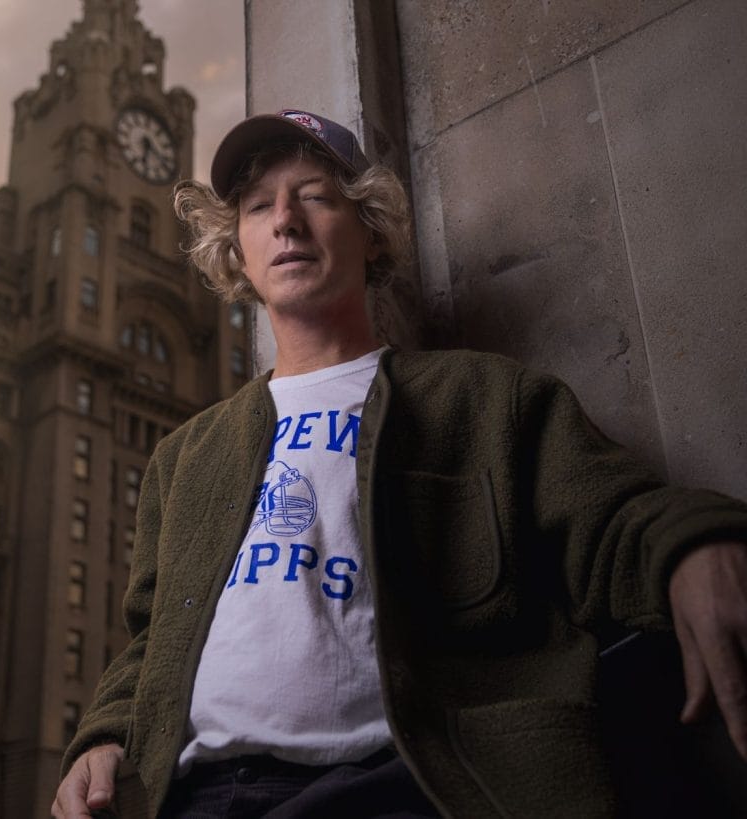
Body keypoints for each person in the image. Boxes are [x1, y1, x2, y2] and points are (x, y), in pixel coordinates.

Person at [52, 109, 747, 818]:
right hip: (198, 796)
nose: (286, 221)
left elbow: (615, 519)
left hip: (401, 783)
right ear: (237, 250)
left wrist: (695, 545)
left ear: (372, 228)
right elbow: (153, 634)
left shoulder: (481, 396)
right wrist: (103, 735)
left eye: (315, 196)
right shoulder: (184, 456)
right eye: (259, 207)